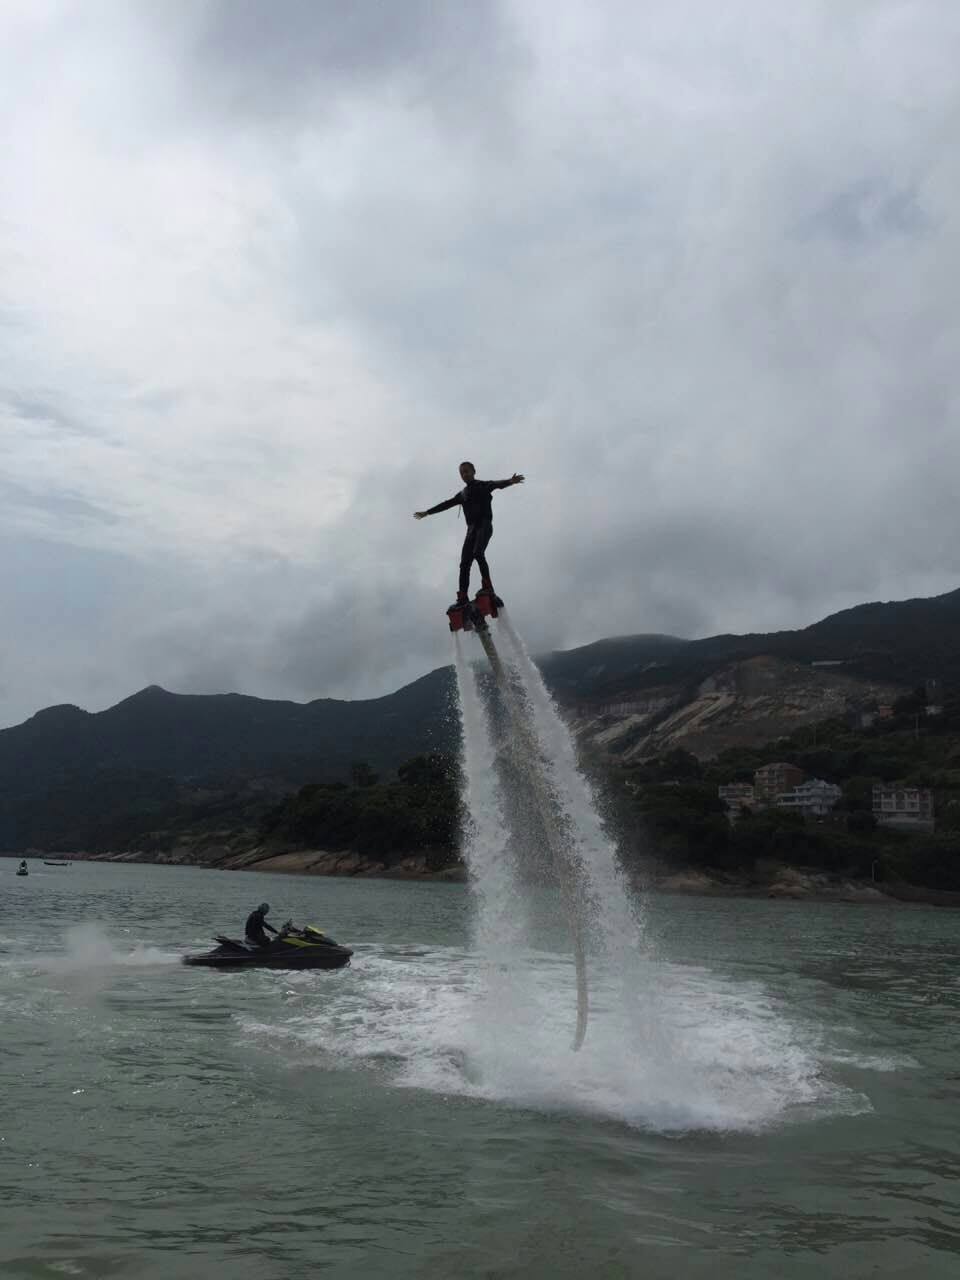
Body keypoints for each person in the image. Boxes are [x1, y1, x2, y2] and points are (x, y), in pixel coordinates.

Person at [414, 462, 524, 607]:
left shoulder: (483, 485)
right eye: (462, 473)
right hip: (471, 530)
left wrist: (510, 481)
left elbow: (498, 484)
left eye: (467, 471)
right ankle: (462, 597)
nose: (464, 474)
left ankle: (488, 586)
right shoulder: (462, 494)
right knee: (464, 563)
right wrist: (427, 512)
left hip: (484, 525)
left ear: (473, 471)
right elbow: (446, 504)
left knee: (478, 553)